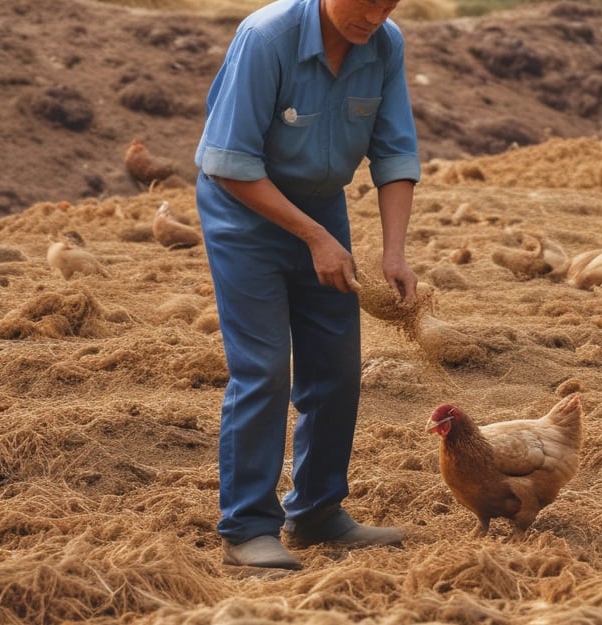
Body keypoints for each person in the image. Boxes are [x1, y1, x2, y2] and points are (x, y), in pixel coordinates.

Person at [193, 0, 419, 570]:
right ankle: (246, 527)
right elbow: (227, 161)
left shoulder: (385, 44)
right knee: (264, 367)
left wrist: (393, 251)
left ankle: (318, 513)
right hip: (244, 213)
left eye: (387, 3)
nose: (374, 15)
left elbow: (393, 153)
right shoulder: (266, 38)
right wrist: (313, 237)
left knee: (337, 366)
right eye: (364, 1)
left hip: (321, 210)